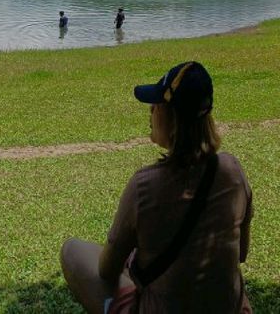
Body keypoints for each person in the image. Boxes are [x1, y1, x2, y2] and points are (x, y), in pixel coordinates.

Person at [60, 61, 253, 313]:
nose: (151, 109)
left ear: (172, 117)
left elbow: (107, 270)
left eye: (157, 105)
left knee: (73, 250)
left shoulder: (144, 186)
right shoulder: (233, 170)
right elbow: (241, 253)